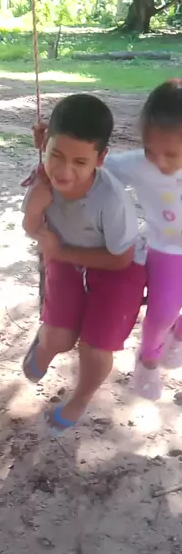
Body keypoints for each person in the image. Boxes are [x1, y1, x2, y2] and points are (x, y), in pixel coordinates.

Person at [22, 93, 146, 434]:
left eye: (80, 162)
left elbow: (121, 259)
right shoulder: (43, 178)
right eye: (56, 155)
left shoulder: (111, 199)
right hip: (65, 254)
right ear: (44, 142)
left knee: (94, 346)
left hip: (118, 265)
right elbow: (33, 229)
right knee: (60, 339)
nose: (64, 171)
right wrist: (34, 207)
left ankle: (79, 399)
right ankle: (45, 345)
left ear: (100, 158)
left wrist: (60, 253)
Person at [104, 80, 182, 400]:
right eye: (151, 150)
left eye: (171, 154)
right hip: (166, 250)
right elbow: (92, 165)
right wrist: (49, 145)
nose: (160, 162)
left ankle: (178, 337)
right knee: (162, 313)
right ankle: (148, 359)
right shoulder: (138, 165)